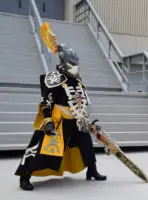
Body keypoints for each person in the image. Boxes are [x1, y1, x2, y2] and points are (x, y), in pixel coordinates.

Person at [15, 44, 107, 191]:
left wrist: (88, 119)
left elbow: (83, 100)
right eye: (72, 64)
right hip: (59, 118)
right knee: (42, 146)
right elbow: (45, 101)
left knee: (86, 144)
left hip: (78, 117)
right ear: (64, 63)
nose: (75, 67)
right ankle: (25, 176)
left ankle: (92, 170)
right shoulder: (54, 78)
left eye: (76, 65)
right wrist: (47, 119)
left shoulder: (78, 80)